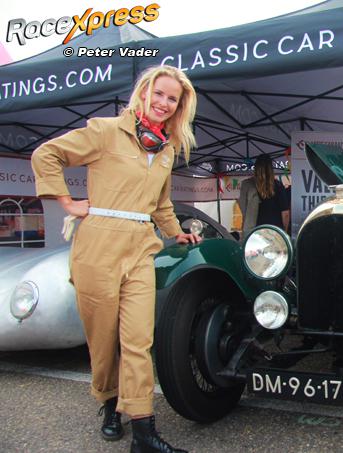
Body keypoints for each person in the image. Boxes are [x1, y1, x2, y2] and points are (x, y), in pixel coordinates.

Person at [31, 65, 202, 453]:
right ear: (144, 92)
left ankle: (143, 432)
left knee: (139, 341)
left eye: (172, 99)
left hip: (141, 246)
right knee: (104, 342)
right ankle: (109, 404)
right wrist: (67, 202)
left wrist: (175, 231)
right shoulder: (105, 132)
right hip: (98, 246)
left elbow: (160, 203)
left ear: (179, 108)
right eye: (159, 94)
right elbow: (47, 154)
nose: (164, 103)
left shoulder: (166, 150)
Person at [238, 154, 290, 235]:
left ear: (256, 168)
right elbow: (285, 214)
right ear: (271, 169)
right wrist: (284, 232)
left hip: (254, 232)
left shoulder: (247, 185)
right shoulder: (278, 185)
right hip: (275, 232)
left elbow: (243, 208)